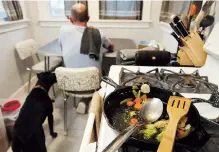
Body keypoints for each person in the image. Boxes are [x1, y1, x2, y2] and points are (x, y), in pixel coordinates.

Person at [59, 3, 114, 71]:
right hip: (94, 80)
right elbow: (111, 46)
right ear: (88, 18)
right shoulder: (98, 33)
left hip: (71, 80)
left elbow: (61, 47)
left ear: (71, 19)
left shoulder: (63, 31)